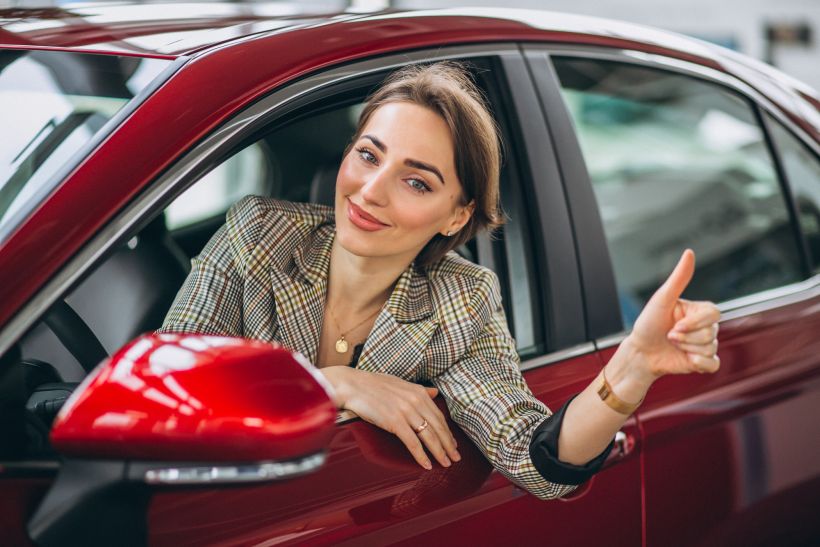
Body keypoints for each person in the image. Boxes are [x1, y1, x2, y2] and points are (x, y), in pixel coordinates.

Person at [159, 62, 720, 500]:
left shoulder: (460, 301)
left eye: (418, 183)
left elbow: (537, 461)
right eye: (368, 155)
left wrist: (632, 368)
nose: (371, 190)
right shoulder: (259, 233)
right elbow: (169, 385)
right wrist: (333, 383)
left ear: (456, 216)